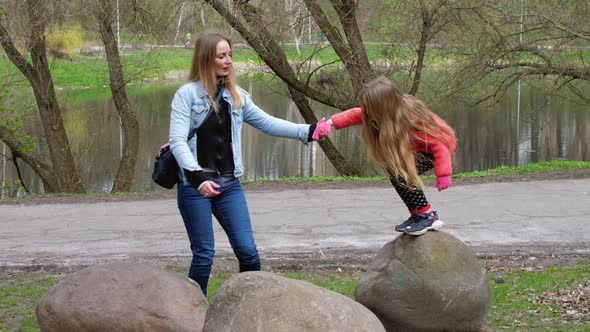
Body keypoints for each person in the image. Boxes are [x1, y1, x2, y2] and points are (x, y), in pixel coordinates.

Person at [169, 31, 320, 296]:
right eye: (221, 56)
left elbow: (268, 122)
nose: (228, 61)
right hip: (195, 188)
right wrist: (197, 178)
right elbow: (178, 142)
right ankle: (192, 312)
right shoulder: (186, 96)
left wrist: (307, 131)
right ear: (206, 59)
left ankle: (251, 308)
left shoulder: (236, 95)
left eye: (230, 55)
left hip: (229, 185)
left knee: (248, 252)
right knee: (204, 255)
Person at [313, 77, 457, 236]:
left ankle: (426, 216)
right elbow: (354, 114)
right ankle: (418, 214)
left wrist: (443, 173)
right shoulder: (379, 114)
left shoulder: (411, 119)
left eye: (369, 108)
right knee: (396, 175)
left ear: (383, 107)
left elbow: (439, 144)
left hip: (437, 148)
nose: (366, 112)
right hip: (421, 147)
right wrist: (329, 124)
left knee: (402, 175)